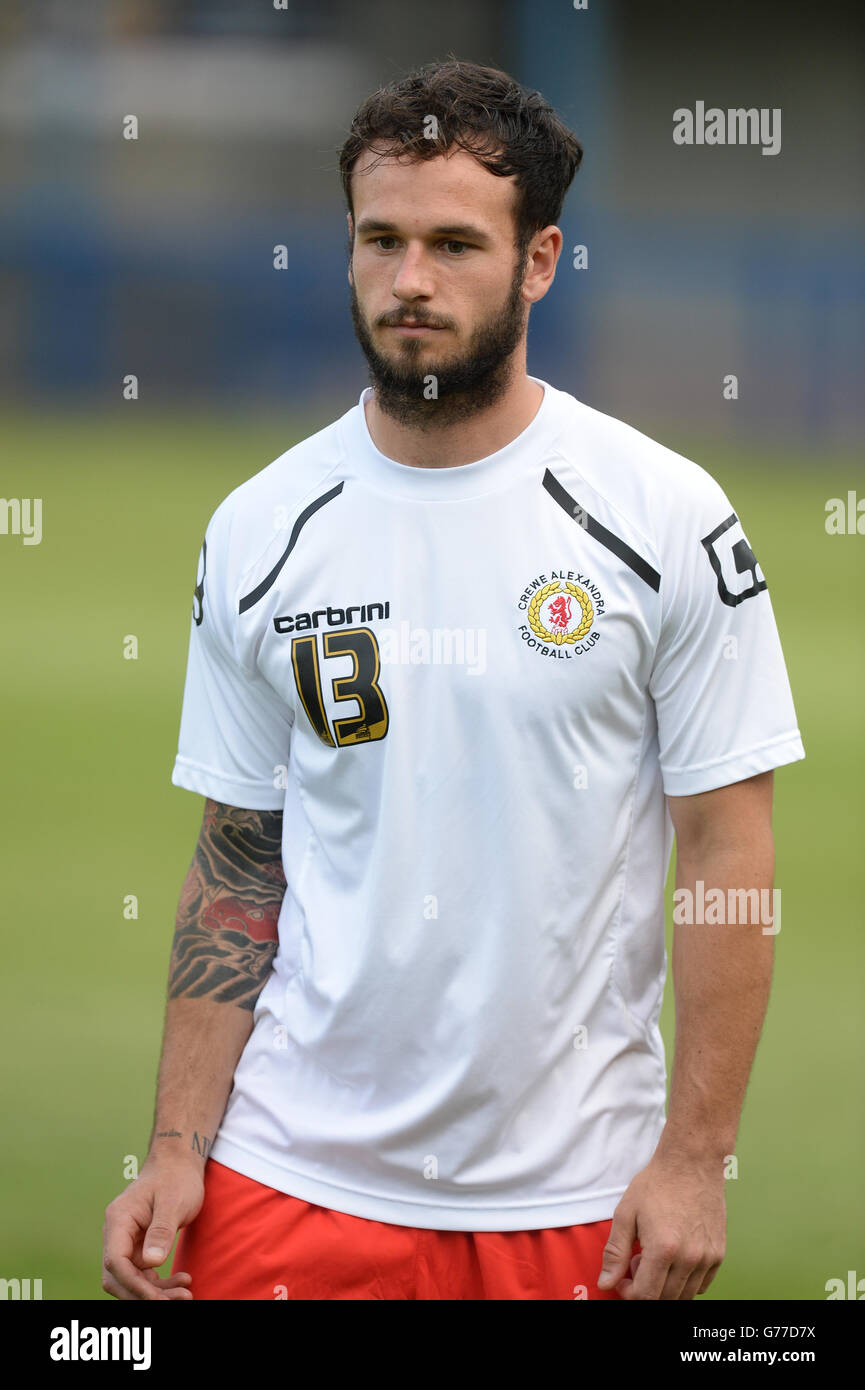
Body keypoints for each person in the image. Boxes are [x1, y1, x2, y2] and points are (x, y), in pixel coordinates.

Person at [101, 58, 804, 1301]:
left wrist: (696, 1159)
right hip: (287, 1178)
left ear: (538, 260)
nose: (410, 280)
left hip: (574, 1200)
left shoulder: (664, 515)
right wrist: (172, 1145)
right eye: (379, 239)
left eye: (453, 243)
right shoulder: (260, 529)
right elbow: (237, 855)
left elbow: (725, 856)